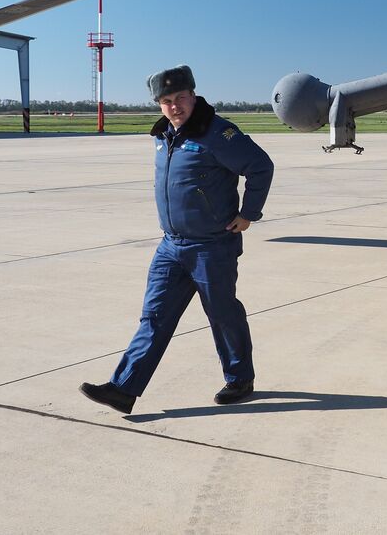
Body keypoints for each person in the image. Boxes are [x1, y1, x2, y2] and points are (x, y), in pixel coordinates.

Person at [80, 65, 274, 414]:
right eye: (166, 101)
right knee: (154, 317)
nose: (174, 107)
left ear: (194, 95)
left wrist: (249, 214)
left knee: (222, 313)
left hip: (211, 246)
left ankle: (239, 378)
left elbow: (261, 166)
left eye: (180, 98)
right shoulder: (163, 137)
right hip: (171, 245)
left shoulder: (218, 133)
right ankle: (123, 389)